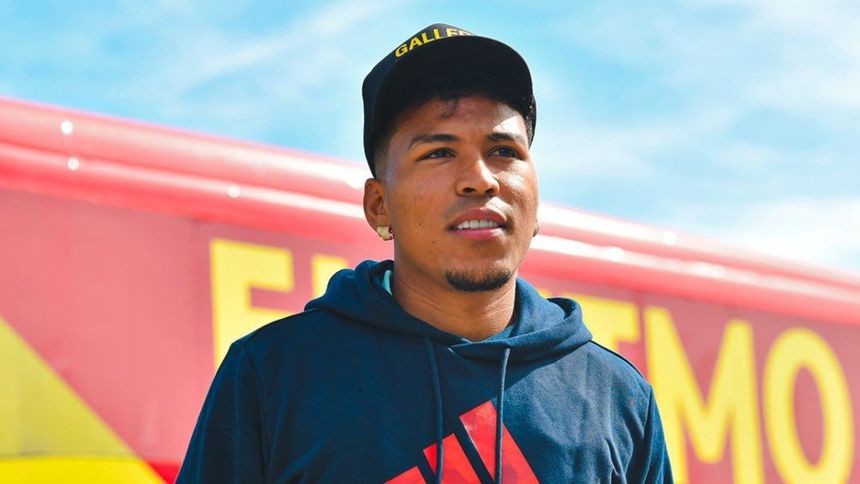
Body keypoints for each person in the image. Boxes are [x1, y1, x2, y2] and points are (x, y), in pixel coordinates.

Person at [176, 23, 672, 483]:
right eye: (438, 152)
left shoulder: (616, 398)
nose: (480, 179)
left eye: (504, 151)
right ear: (379, 206)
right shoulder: (274, 375)